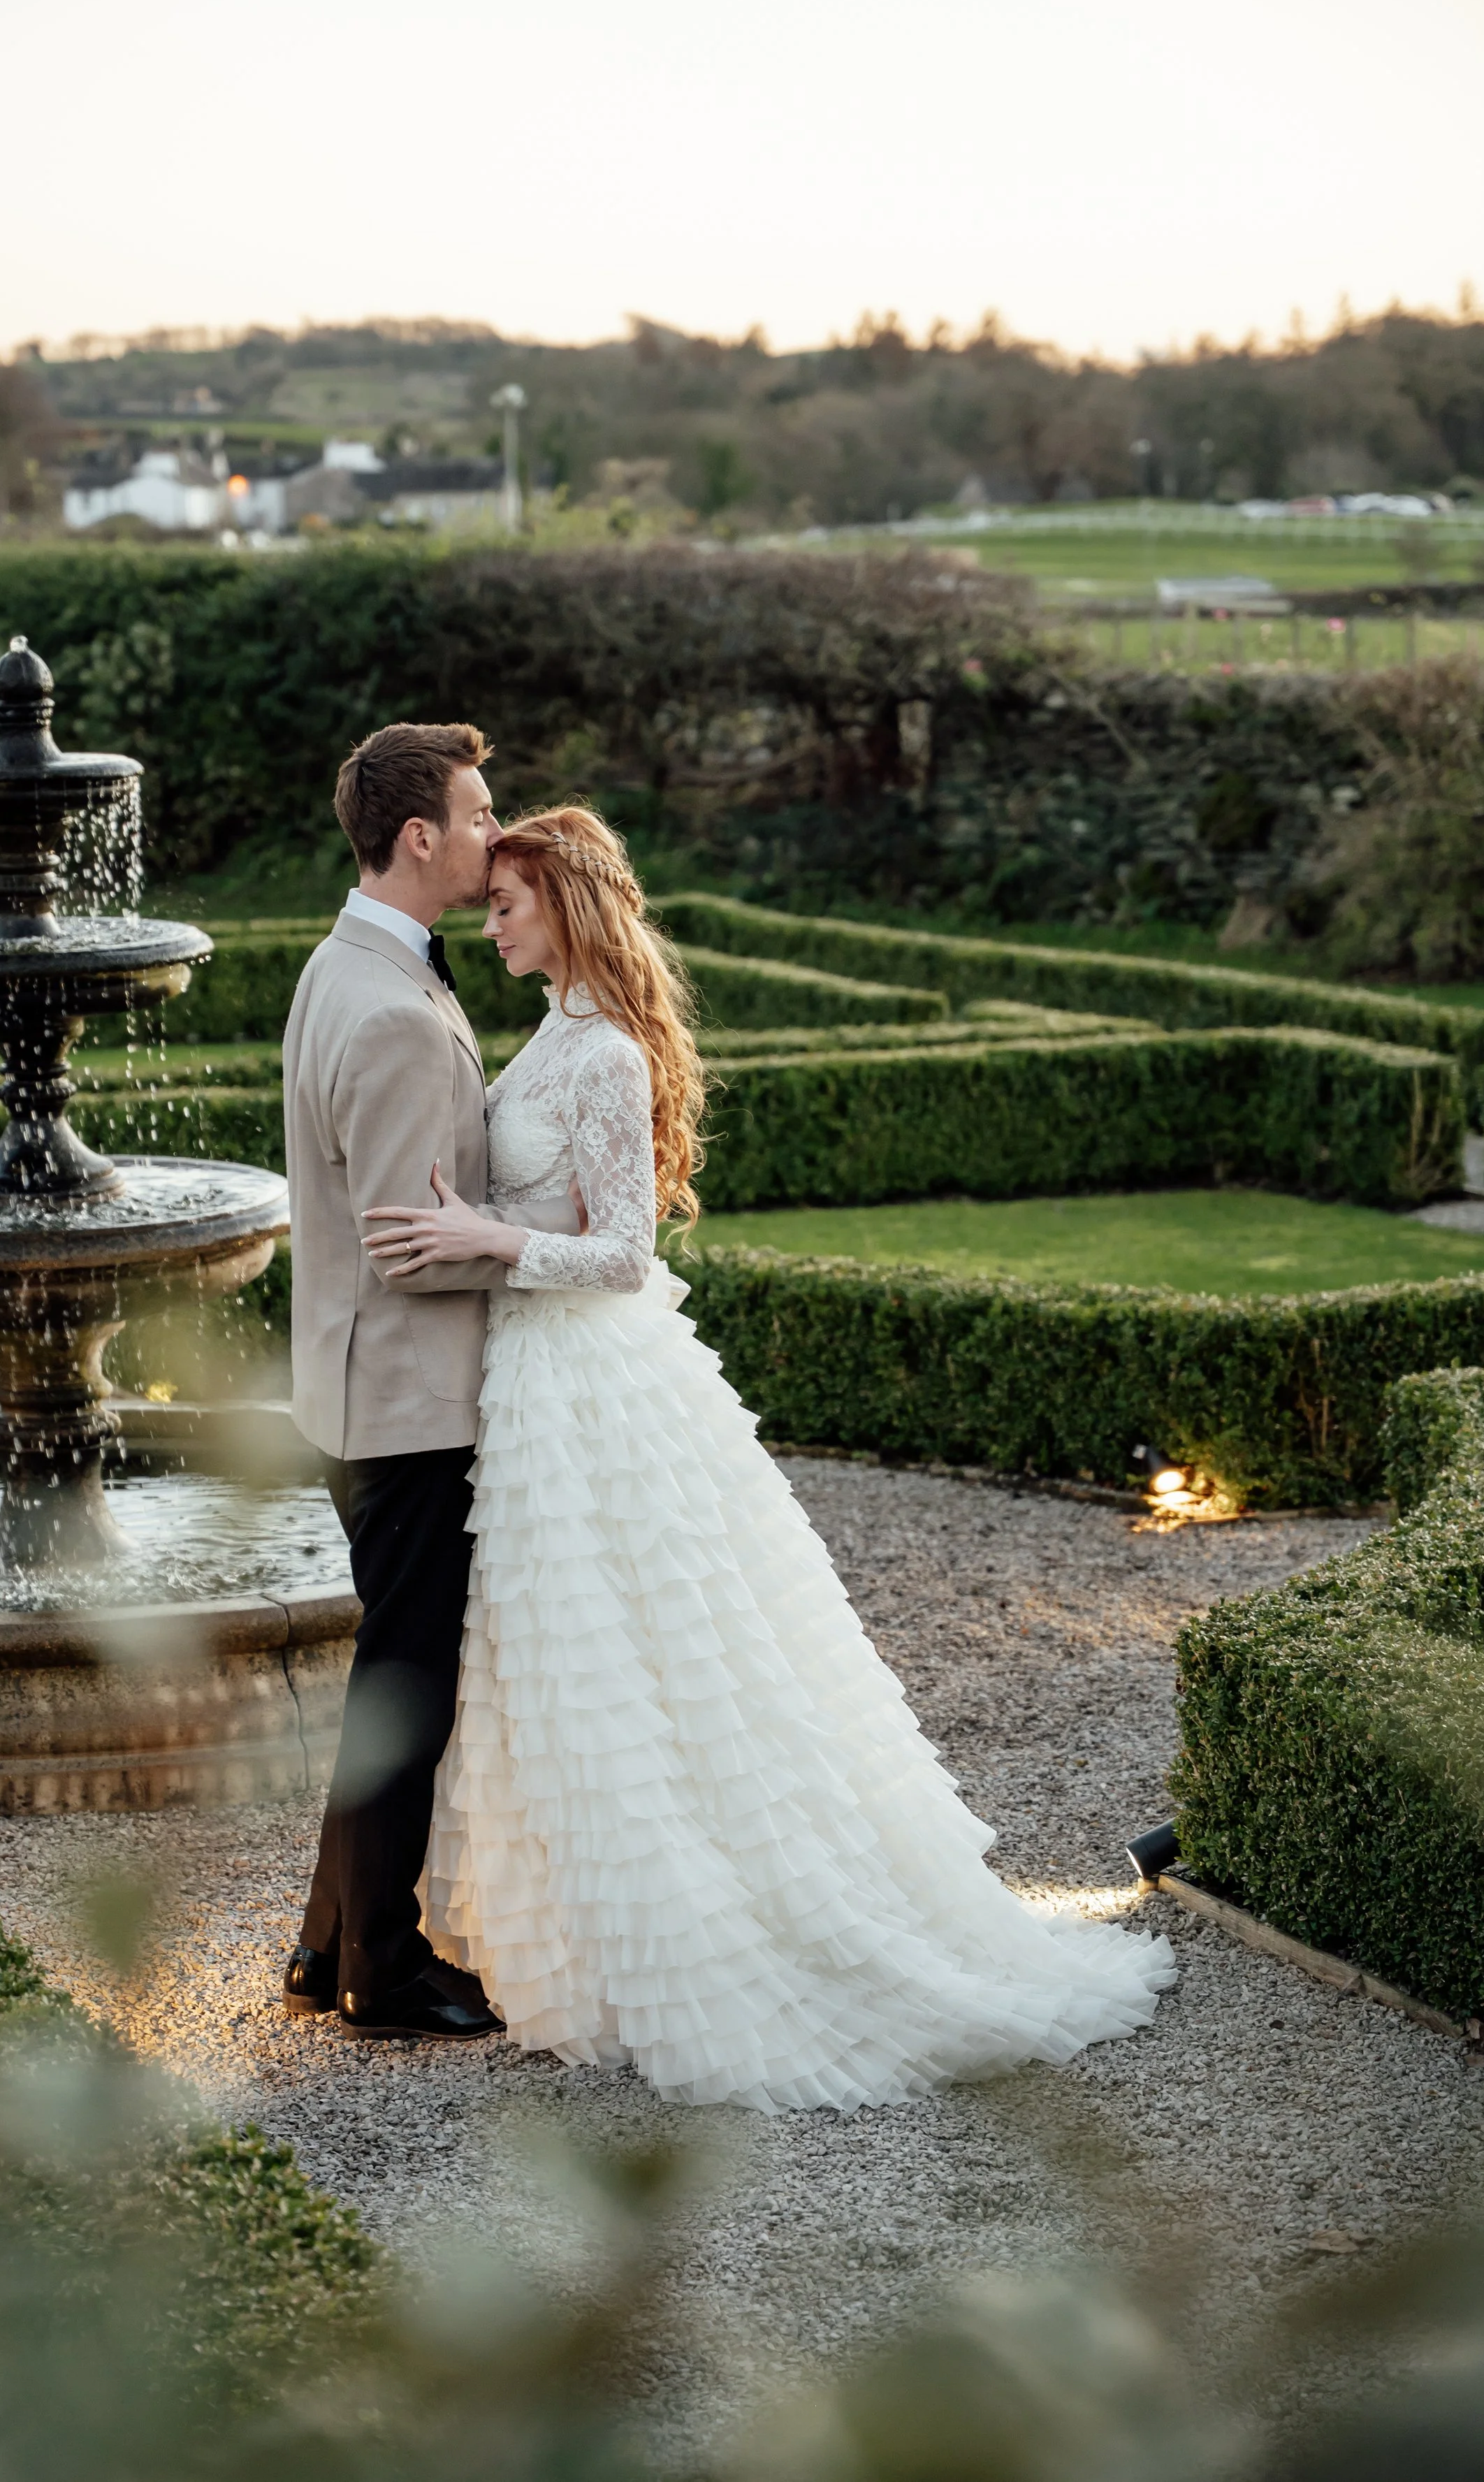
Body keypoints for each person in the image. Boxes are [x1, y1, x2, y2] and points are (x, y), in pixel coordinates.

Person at [361, 806, 1175, 2112]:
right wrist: (476, 1228)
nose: (492, 919)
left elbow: (627, 1253)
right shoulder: (557, 1031)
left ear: (566, 906)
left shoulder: (610, 1054)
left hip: (595, 1384)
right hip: (539, 1387)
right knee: (576, 1663)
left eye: (509, 902)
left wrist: (490, 1239)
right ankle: (603, 1941)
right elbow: (540, 1203)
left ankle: (723, 1937)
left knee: (649, 1654)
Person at [279, 722, 583, 2041]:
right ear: (419, 836)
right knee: (409, 1686)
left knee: (384, 1679)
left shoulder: (344, 962)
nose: (489, 831)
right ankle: (384, 1973)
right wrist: (540, 1258)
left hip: (359, 1396)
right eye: (476, 814)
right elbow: (415, 1251)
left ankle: (330, 1943)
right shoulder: (398, 1013)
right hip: (406, 1404)